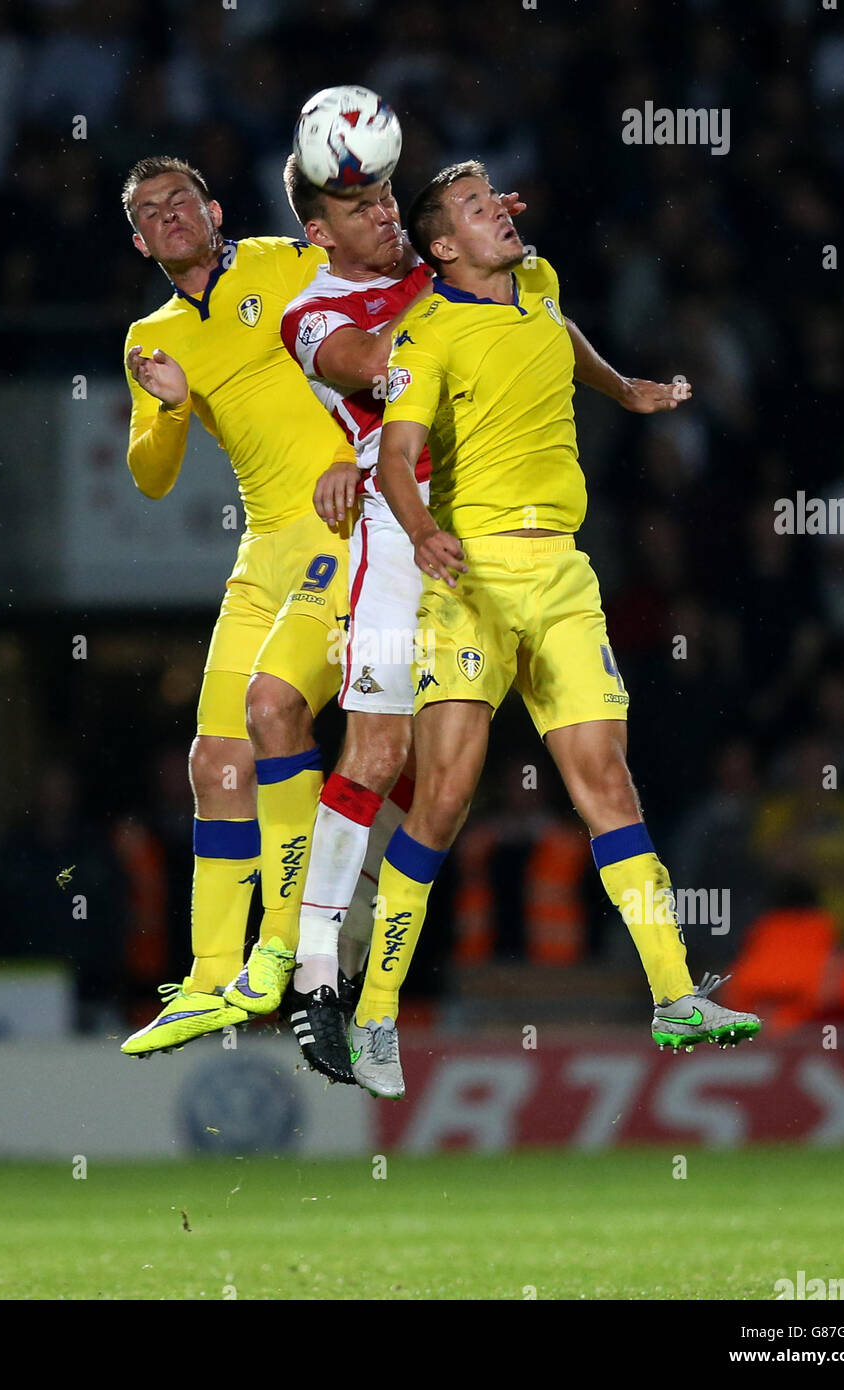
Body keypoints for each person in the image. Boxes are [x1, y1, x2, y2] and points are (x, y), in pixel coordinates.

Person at [359, 161, 761, 1096]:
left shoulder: (533, 282)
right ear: (442, 247)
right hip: (473, 574)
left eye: (494, 195)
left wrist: (625, 391)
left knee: (606, 778)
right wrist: (424, 537)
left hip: (565, 574)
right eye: (471, 206)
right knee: (446, 796)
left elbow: (558, 330)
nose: (496, 208)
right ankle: (374, 1013)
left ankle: (673, 996)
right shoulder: (429, 331)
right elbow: (396, 458)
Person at [276, 155, 525, 1083]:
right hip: (394, 527)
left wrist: (490, 256)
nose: (382, 213)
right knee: (375, 754)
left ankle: (361, 974)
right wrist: (472, 272)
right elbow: (384, 364)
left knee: (447, 791)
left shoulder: (438, 272)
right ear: (320, 232)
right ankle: (315, 981)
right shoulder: (315, 316)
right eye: (358, 205)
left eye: (386, 197)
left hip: (484, 529)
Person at [118, 155, 364, 1056]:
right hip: (262, 553)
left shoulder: (288, 261)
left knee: (273, 709)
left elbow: (381, 300)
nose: (170, 215)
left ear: (214, 210)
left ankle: (291, 950)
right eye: (151, 210)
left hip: (343, 531)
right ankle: (210, 979)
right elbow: (150, 477)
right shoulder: (152, 337)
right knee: (213, 761)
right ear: (139, 240)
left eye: (182, 198)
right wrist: (172, 407)